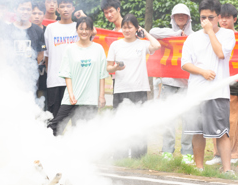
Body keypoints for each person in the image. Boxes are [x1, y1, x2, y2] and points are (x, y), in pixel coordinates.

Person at [181, 0, 236, 173]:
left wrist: (210, 32)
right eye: (203, 17)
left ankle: (227, 169)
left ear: (219, 17)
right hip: (196, 92)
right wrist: (202, 72)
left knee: (222, 132)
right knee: (197, 131)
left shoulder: (227, 35)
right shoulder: (192, 38)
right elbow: (185, 64)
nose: (206, 21)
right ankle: (199, 167)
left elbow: (220, 53)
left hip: (218, 93)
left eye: (210, 17)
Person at [107, 13, 161, 158]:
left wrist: (145, 33)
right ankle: (120, 155)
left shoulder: (142, 44)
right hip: (121, 89)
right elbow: (108, 68)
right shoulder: (115, 45)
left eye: (130, 27)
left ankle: (139, 156)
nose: (126, 30)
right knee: (120, 123)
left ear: (136, 28)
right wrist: (116, 68)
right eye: (124, 27)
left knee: (139, 123)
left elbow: (157, 45)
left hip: (140, 89)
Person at [149, 3, 194, 164]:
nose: (180, 17)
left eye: (184, 15)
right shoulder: (166, 34)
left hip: (188, 84)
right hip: (168, 82)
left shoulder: (194, 36)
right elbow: (152, 32)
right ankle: (167, 151)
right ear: (173, 18)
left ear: (189, 18)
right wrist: (175, 34)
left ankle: (187, 152)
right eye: (177, 15)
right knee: (168, 118)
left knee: (189, 119)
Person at [48, 17, 108, 136]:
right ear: (76, 30)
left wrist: (101, 96)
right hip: (72, 98)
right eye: (81, 29)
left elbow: (102, 75)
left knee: (84, 132)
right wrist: (71, 94)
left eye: (87, 29)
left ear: (92, 31)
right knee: (55, 126)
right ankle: (48, 149)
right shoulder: (70, 49)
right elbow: (67, 74)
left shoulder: (98, 49)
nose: (84, 32)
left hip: (90, 98)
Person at [206, 3, 238, 165]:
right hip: (218, 83)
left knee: (234, 121)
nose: (223, 20)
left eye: (227, 17)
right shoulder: (214, 36)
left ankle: (234, 154)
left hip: (236, 85)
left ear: (234, 19)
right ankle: (217, 154)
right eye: (221, 17)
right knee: (217, 119)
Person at [44, 0, 92, 118]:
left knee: (77, 119)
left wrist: (83, 16)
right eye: (62, 6)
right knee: (54, 119)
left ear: (73, 9)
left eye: (68, 6)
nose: (65, 9)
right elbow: (47, 56)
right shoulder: (50, 28)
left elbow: (93, 31)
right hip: (55, 81)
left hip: (76, 81)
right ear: (57, 9)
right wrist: (51, 73)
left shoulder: (79, 27)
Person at [31, 2, 48, 110]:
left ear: (44, 14)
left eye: (39, 13)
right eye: (34, 13)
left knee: (43, 104)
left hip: (45, 74)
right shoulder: (23, 30)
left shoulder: (49, 30)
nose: (37, 16)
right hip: (29, 73)